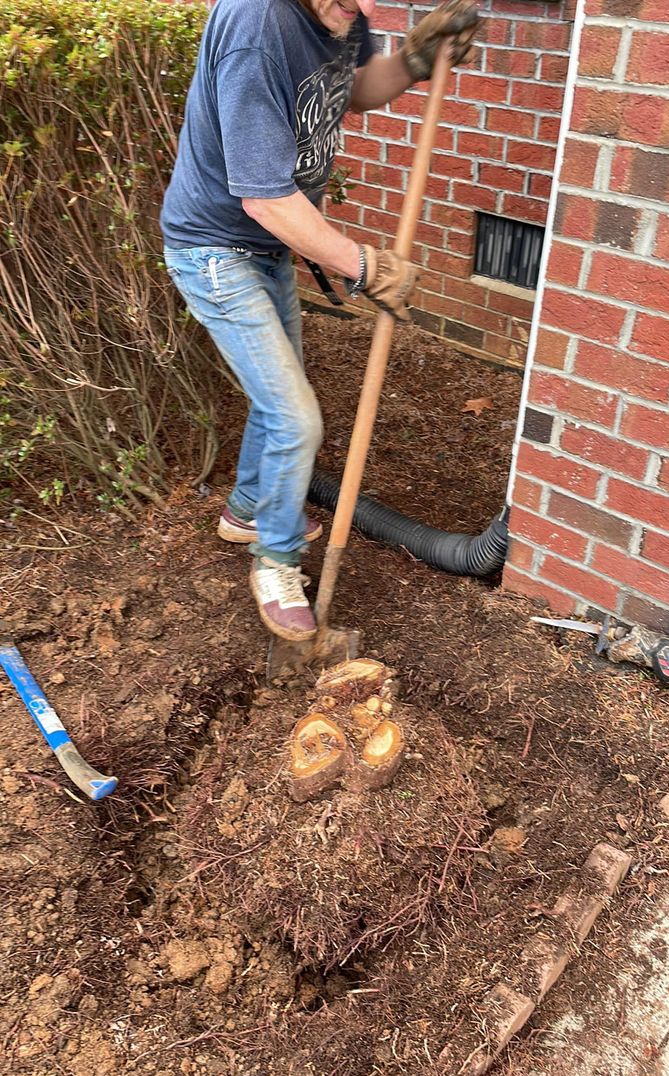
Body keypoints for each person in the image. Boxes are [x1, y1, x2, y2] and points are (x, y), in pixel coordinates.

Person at [161, 0, 477, 642]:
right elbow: (267, 198)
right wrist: (367, 266)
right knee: (294, 415)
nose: (359, 8)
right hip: (215, 249)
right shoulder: (258, 31)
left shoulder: (341, 12)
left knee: (278, 394)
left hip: (266, 246)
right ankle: (276, 563)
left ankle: (250, 509)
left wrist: (413, 62)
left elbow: (353, 89)